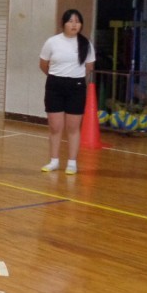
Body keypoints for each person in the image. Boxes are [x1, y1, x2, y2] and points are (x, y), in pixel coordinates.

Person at [39, 9, 95, 175]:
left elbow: (89, 67)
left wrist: (74, 77)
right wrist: (56, 77)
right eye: (70, 21)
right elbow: (43, 64)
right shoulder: (52, 42)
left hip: (76, 87)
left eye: (77, 21)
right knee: (55, 127)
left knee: (73, 127)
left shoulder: (86, 44)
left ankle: (72, 162)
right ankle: (54, 161)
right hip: (54, 86)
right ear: (63, 23)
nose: (74, 25)